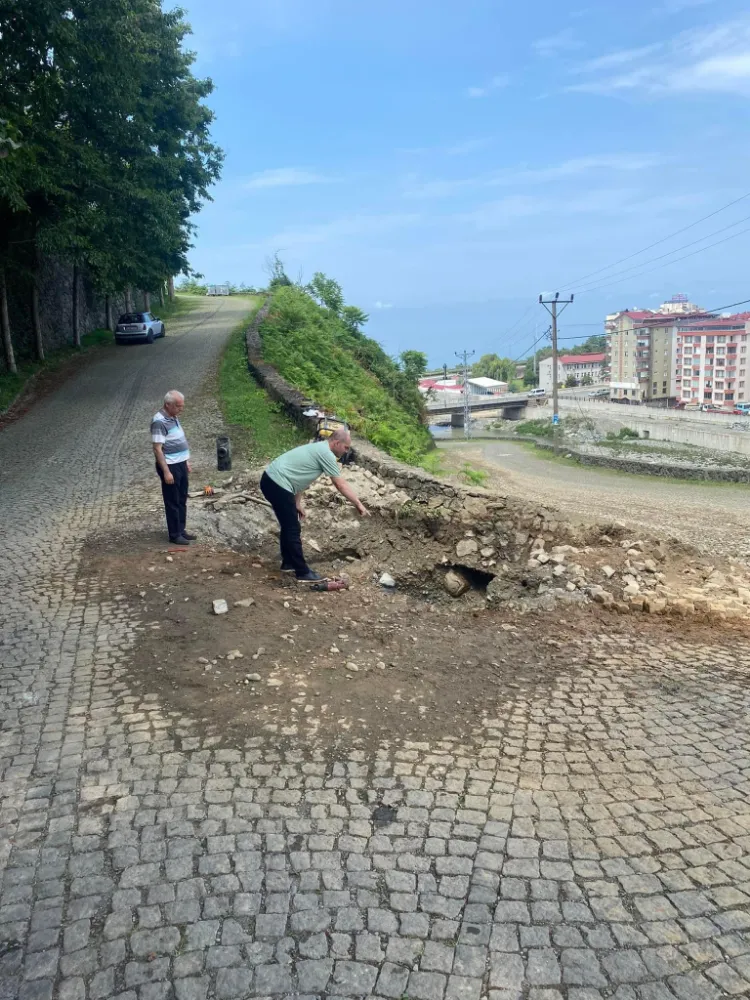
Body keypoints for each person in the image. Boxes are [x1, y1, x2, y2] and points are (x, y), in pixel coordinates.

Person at [261, 428, 370, 581]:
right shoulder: (326, 454)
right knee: (292, 528)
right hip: (277, 483)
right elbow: (340, 484)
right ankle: (302, 572)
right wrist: (358, 504)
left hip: (273, 480)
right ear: (337, 443)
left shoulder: (319, 448)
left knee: (289, 525)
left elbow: (300, 478)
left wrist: (297, 502)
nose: (346, 451)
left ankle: (288, 563)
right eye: (346, 447)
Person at [151, 390, 196, 545]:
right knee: (172, 500)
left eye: (181, 406)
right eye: (178, 406)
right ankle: (174, 534)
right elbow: (157, 448)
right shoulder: (159, 421)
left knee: (182, 498)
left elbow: (178, 439)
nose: (180, 409)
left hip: (180, 463)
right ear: (168, 405)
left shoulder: (173, 417)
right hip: (170, 466)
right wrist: (166, 472)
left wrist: (186, 461)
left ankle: (181, 529)